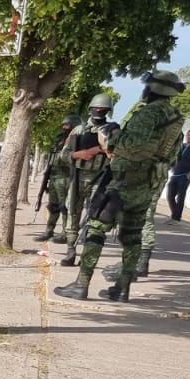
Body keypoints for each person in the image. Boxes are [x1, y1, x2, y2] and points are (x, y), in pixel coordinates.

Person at [54, 69, 185, 302]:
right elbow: (171, 156)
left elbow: (130, 145)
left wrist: (112, 137)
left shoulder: (148, 114)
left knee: (95, 229)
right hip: (146, 184)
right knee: (132, 235)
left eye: (147, 86)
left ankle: (81, 284)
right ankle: (122, 288)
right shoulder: (175, 119)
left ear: (153, 89)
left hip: (123, 181)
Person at [57, 93, 116, 265]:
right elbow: (64, 155)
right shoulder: (78, 130)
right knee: (72, 213)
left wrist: (104, 148)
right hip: (78, 176)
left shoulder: (112, 131)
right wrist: (80, 154)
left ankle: (87, 254)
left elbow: (117, 154)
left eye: (102, 109)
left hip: (100, 177)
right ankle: (70, 250)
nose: (99, 111)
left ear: (108, 111)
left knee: (95, 216)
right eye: (96, 108)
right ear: (91, 109)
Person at [37, 115, 81, 241]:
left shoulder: (76, 140)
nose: (64, 127)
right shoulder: (59, 139)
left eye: (66, 125)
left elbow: (70, 158)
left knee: (64, 206)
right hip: (54, 176)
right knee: (53, 205)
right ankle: (49, 230)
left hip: (66, 177)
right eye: (63, 125)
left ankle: (65, 233)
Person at [165, 128, 190, 220]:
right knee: (170, 196)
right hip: (175, 174)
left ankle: (175, 218)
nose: (189, 136)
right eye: (188, 135)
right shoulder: (182, 146)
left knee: (180, 197)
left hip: (185, 175)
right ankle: (176, 215)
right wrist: (171, 167)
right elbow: (174, 157)